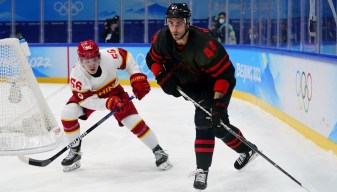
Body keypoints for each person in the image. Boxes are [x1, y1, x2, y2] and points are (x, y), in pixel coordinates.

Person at [146, 3, 258, 191]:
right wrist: (161, 77)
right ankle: (247, 149)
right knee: (219, 126)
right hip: (191, 85)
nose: (174, 28)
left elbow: (225, 75)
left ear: (187, 23)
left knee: (206, 120)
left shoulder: (205, 44)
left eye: (179, 23)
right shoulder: (162, 38)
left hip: (215, 84)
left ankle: (202, 170)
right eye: (171, 23)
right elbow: (152, 59)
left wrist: (219, 102)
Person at [60, 39, 172, 172]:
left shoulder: (108, 56)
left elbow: (126, 57)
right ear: (80, 60)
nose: (91, 64)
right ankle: (75, 152)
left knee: (132, 121)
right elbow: (86, 101)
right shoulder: (77, 75)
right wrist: (107, 103)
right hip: (91, 97)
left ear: (99, 56)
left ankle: (158, 150)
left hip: (115, 92)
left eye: (94, 59)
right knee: (68, 112)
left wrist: (136, 76)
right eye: (87, 61)